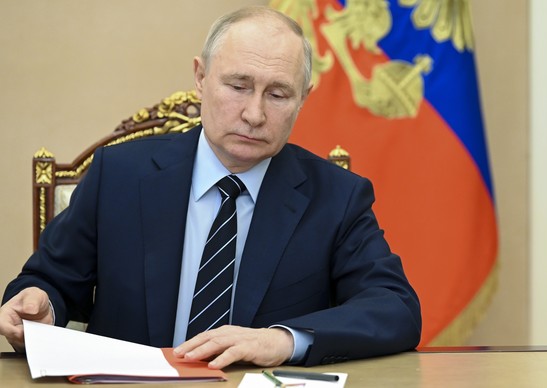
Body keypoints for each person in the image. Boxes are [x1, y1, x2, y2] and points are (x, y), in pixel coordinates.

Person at [0, 6, 421, 368]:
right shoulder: (121, 175)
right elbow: (50, 281)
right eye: (238, 87)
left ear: (303, 99)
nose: (254, 114)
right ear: (201, 77)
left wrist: (281, 340)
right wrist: (39, 305)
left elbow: (395, 309)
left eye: (277, 94)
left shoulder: (336, 196)